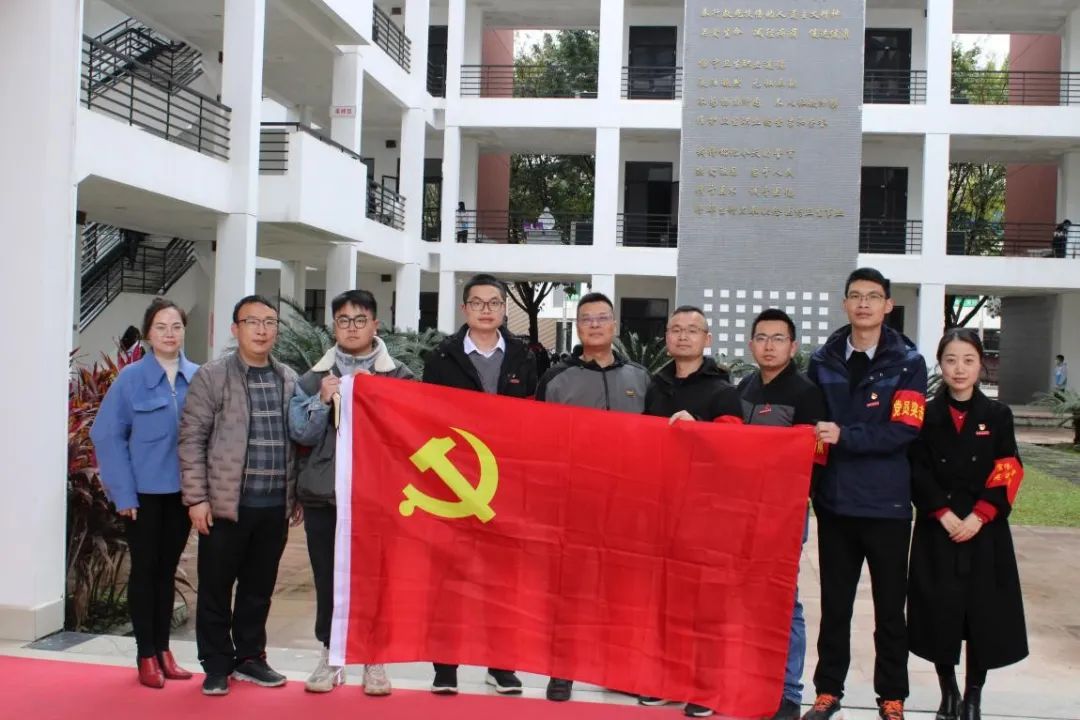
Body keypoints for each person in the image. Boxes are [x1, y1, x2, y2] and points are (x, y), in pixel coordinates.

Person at [803, 268, 927, 720]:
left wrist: (845, 435)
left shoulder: (908, 362)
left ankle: (892, 695)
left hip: (887, 504)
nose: (863, 304)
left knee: (890, 609)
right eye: (855, 296)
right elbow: (812, 428)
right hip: (836, 503)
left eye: (873, 297)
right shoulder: (823, 360)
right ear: (844, 304)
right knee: (835, 606)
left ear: (887, 306)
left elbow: (904, 429)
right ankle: (827, 691)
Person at [288, 290, 414, 694]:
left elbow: (412, 434)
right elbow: (300, 433)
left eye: (360, 320)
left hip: (378, 497)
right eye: (343, 320)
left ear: (376, 325)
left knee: (375, 578)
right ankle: (331, 655)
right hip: (325, 496)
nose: (352, 328)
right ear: (334, 327)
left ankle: (374, 658)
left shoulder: (399, 376)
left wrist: (380, 396)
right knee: (328, 577)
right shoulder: (312, 378)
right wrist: (322, 401)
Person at [179, 295, 303, 696]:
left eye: (270, 322)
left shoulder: (289, 378)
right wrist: (197, 498)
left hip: (273, 506)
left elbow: (298, 440)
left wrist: (295, 494)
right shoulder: (213, 377)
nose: (262, 330)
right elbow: (191, 439)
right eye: (252, 322)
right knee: (216, 589)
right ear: (236, 329)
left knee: (258, 590)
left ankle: (250, 658)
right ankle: (216, 664)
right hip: (224, 506)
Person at [421, 273, 537, 695]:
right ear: (464, 308)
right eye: (477, 302)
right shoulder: (441, 357)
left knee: (503, 578)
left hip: (506, 482)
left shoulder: (525, 356)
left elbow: (536, 417)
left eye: (494, 303)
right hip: (454, 481)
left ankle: (501, 665)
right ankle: (445, 666)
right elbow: (425, 417)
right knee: (449, 576)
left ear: (504, 309)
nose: (486, 310)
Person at [907, 329, 1028, 720]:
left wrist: (980, 516)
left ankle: (974, 696)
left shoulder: (998, 415)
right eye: (951, 360)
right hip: (937, 527)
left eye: (968, 360)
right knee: (939, 612)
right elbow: (917, 470)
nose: (959, 369)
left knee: (983, 615)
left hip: (984, 530)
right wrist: (942, 513)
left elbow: (1008, 468)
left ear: (980, 365)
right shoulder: (925, 414)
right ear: (940, 365)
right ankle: (949, 692)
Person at [536, 291, 650, 703]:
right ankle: (562, 671)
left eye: (603, 317)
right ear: (578, 326)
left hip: (628, 505)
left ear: (615, 324)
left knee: (622, 590)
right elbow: (536, 438)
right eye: (587, 319)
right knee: (570, 591)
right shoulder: (555, 379)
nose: (596, 325)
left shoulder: (640, 378)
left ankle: (618, 670)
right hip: (574, 503)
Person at [638, 304, 742, 718]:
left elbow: (736, 445)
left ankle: (705, 687)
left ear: (707, 339)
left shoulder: (723, 390)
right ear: (666, 337)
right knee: (665, 599)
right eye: (676, 329)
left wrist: (699, 426)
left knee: (705, 604)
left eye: (692, 330)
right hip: (662, 505)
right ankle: (667, 680)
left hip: (706, 511)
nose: (683, 336)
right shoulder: (655, 385)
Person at [90, 298, 199, 688]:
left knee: (167, 572)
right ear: (149, 334)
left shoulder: (198, 378)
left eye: (176, 326)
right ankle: (146, 654)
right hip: (143, 496)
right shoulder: (131, 378)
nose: (170, 334)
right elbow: (106, 435)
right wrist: (124, 494)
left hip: (182, 494)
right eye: (161, 327)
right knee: (145, 571)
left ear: (184, 331)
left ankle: (165, 650)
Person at [738, 309, 827, 720]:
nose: (769, 346)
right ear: (751, 344)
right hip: (743, 510)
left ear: (793, 346)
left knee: (784, 601)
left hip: (785, 512)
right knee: (747, 599)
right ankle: (753, 681)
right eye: (762, 338)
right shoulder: (744, 388)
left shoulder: (807, 393)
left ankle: (789, 691)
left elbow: (816, 458)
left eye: (778, 338)